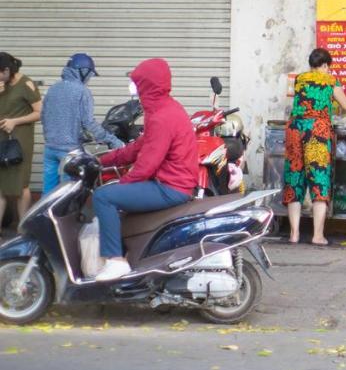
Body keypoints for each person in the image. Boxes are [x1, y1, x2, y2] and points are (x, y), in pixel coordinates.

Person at [93, 58, 198, 281]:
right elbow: (138, 148)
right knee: (114, 194)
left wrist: (123, 183)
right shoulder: (165, 108)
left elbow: (147, 164)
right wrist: (101, 160)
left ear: (147, 85)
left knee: (104, 197)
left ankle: (115, 261)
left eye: (137, 84)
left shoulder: (161, 117)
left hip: (170, 187)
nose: (135, 90)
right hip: (172, 183)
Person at [283, 48, 346, 246]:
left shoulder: (300, 79)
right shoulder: (330, 80)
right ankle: (317, 235)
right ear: (325, 65)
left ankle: (294, 234)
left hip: (295, 130)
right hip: (317, 132)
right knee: (318, 178)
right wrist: (337, 109)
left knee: (294, 178)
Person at [41, 53, 123, 194]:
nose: (90, 78)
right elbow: (89, 123)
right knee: (69, 193)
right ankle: (67, 216)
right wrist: (114, 141)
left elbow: (44, 117)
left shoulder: (53, 89)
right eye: (90, 74)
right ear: (83, 72)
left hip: (50, 148)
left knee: (49, 193)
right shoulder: (82, 91)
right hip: (70, 152)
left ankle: (45, 216)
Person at [0, 52, 42, 230]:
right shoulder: (3, 85)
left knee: (21, 184)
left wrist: (14, 121)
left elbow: (39, 113)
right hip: (2, 138)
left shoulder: (27, 84)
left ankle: (23, 228)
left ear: (7, 70)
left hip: (20, 140)